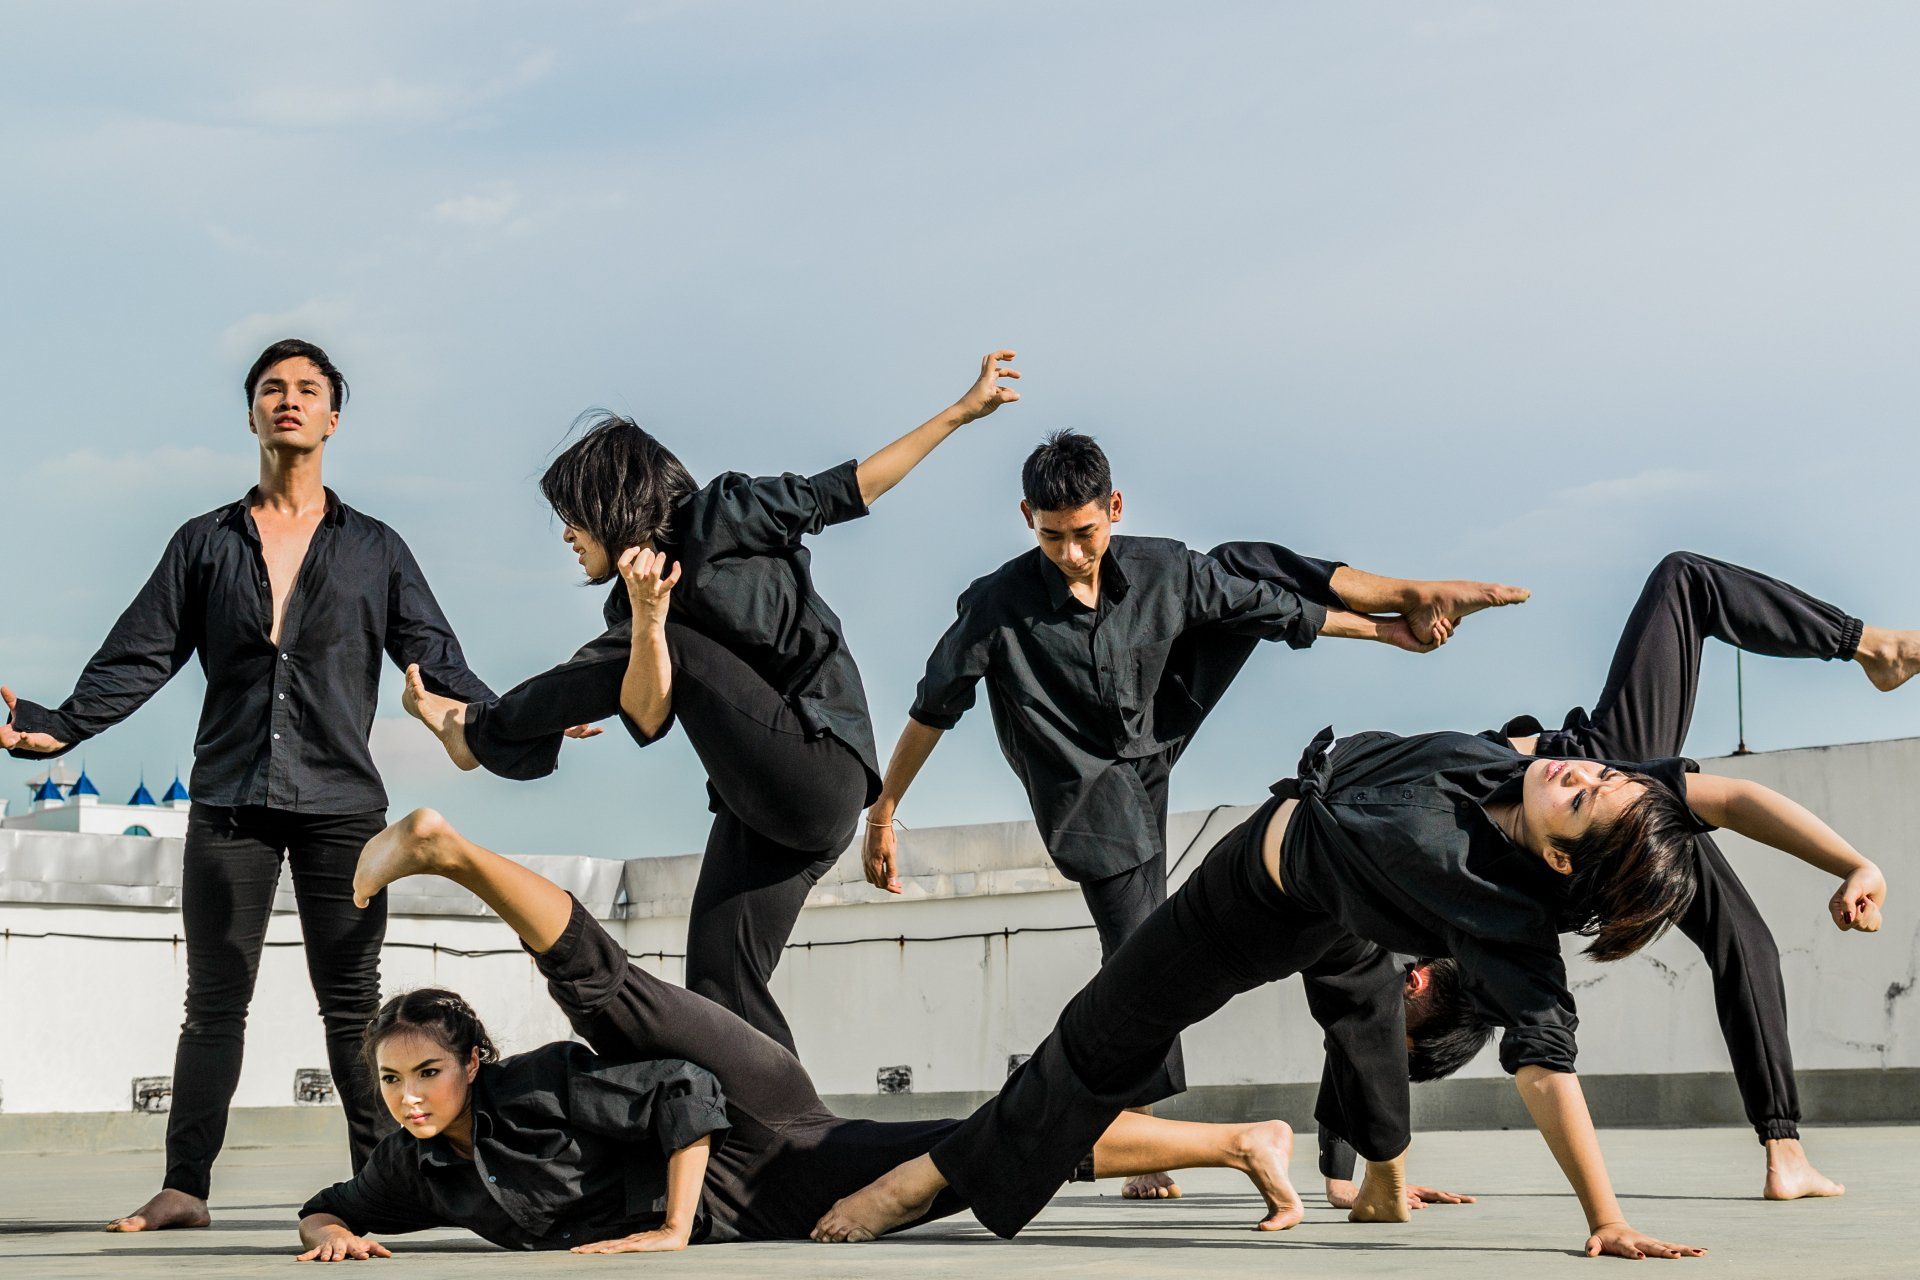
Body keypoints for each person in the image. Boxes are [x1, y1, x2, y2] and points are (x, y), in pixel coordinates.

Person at [812, 649, 1890, 1256]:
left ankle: (925, 1177)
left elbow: (1548, 1062)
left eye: (1587, 796)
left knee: (1297, 1012)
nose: (1577, 772)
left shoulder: (1499, 912)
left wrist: (1605, 1217)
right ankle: (1376, 1179)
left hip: (1268, 900)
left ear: (1568, 867)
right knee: (1122, 1032)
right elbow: (1734, 796)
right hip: (1290, 882)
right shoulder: (1552, 779)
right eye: (1592, 773)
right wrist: (1853, 862)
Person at [859, 428, 1529, 1197]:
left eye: (1086, 535)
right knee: (1141, 945)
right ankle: (1151, 1132)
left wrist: (1387, 635)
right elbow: (932, 710)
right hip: (1084, 789)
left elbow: (1273, 611)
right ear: (1026, 519)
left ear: (1114, 508)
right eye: (1053, 538)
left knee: (1240, 568)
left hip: (1157, 729)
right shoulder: (995, 606)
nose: (1073, 554)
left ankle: (1403, 590)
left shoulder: (1158, 568)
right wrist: (883, 813)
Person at [294, 814, 1312, 1259]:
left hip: (745, 1102)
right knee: (981, 1145)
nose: (408, 1093)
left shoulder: (532, 1087)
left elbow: (682, 1095)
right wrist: (332, 1234)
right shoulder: (419, 1168)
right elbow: (327, 1204)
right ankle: (1241, 1140)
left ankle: (449, 850)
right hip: (783, 1184)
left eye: (425, 1069)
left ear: (471, 1059)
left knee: (604, 993)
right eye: (389, 1079)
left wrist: (671, 1229)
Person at [0, 339, 494, 1233]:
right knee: (214, 1001)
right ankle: (185, 1186)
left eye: (308, 389)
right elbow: (140, 652)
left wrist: (520, 718)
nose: (290, 400)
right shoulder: (203, 543)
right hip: (230, 800)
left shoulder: (377, 548)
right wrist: (59, 725)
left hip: (345, 806)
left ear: (334, 418)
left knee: (354, 1007)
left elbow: (438, 660)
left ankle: (373, 1189)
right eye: (273, 388)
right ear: (253, 414)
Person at [401, 352, 1020, 1055]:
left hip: (819, 768)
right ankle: (791, 1142)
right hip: (755, 806)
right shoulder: (630, 601)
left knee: (668, 640)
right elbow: (649, 715)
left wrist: (961, 412)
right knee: (721, 988)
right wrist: (641, 621)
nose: (567, 537)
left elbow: (847, 490)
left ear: (610, 503)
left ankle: (478, 733)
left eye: (572, 518)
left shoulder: (724, 513)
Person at [1317, 550, 1920, 1206]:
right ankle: (1875, 650)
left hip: (1601, 851)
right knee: (1685, 580)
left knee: (1743, 940)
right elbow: (1734, 799)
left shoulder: (1428, 919)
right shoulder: (1482, 912)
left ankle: (1786, 1152)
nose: (1397, 984)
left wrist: (1342, 1177)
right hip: (1589, 786)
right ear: (1430, 1008)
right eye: (1401, 1008)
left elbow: (1353, 1019)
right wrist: (1853, 862)